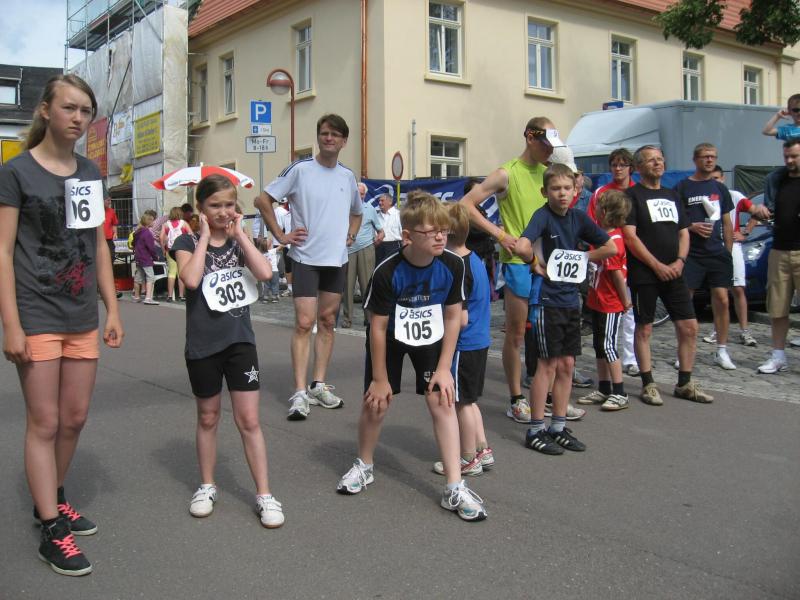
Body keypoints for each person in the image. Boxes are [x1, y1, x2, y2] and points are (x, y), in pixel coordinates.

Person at [0, 73, 124, 576]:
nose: (78, 118)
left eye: (85, 110)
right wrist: (11, 324)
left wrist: (112, 308)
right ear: (45, 110)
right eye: (69, 107)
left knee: (74, 418)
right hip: (35, 313)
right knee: (45, 422)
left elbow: (98, 245)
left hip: (80, 314)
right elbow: (2, 252)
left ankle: (49, 497)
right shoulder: (16, 172)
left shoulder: (90, 172)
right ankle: (52, 528)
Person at [336, 191, 486, 521]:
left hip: (431, 335)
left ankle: (454, 486)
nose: (440, 237)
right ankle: (364, 464)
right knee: (377, 402)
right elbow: (377, 327)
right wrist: (380, 379)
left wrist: (444, 368)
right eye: (431, 232)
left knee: (442, 399)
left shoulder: (453, 264)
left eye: (444, 230)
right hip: (390, 337)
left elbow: (453, 317)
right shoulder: (387, 271)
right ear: (408, 236)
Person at [172, 174, 284, 528]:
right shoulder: (186, 241)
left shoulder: (239, 240)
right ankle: (207, 486)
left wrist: (241, 237)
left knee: (249, 420)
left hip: (240, 342)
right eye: (214, 205)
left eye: (229, 205)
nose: (223, 212)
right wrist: (205, 237)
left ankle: (264, 494)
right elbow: (191, 279)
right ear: (201, 208)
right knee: (208, 417)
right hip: (203, 344)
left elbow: (264, 273)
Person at [254, 114, 363, 420]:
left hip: (336, 260)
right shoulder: (300, 169)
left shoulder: (347, 176)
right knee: (304, 323)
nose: (329, 138)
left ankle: (318, 385)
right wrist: (280, 235)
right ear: (318, 137)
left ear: (344, 141)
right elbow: (262, 200)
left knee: (327, 322)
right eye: (325, 133)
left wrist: (351, 235)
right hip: (305, 258)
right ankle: (300, 392)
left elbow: (357, 213)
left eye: (335, 134)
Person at [460, 117, 565, 422]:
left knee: (547, 332)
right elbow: (466, 204)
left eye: (553, 145)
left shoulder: (549, 173)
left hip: (548, 264)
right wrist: (500, 234)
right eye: (546, 144)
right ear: (530, 138)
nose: (550, 150)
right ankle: (517, 398)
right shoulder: (507, 173)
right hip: (519, 263)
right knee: (517, 334)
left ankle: (548, 396)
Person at [516, 164, 617, 455]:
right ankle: (535, 428)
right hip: (547, 301)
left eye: (567, 188)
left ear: (576, 191)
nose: (562, 194)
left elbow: (610, 247)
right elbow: (522, 246)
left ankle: (558, 427)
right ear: (544, 191)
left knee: (567, 365)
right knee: (546, 366)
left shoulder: (578, 218)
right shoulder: (542, 216)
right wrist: (536, 265)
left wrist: (581, 258)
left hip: (570, 300)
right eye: (556, 189)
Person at [622, 146, 713, 405]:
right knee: (644, 328)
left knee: (689, 326)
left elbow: (684, 231)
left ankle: (685, 382)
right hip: (645, 273)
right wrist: (656, 265)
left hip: (675, 271)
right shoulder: (631, 196)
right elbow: (630, 236)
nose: (657, 163)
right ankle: (648, 383)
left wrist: (680, 261)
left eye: (660, 159)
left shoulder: (672, 195)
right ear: (639, 167)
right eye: (651, 160)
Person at [432, 202, 494, 477]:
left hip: (464, 343)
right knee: (469, 399)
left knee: (461, 402)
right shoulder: (475, 259)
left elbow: (462, 317)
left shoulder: (459, 267)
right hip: (479, 340)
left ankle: (467, 457)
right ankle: (482, 448)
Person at [675, 143, 736, 370]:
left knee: (721, 299)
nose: (709, 160)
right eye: (705, 156)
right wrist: (692, 227)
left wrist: (727, 252)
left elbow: (727, 223)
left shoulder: (720, 188)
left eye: (713, 157)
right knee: (686, 301)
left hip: (716, 253)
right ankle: (684, 349)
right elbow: (675, 220)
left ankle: (722, 349)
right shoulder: (682, 187)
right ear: (695, 159)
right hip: (691, 253)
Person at [703, 166, 770, 347]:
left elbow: (754, 211)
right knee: (718, 291)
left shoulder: (734, 196)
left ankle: (745, 331)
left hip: (733, 246)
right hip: (714, 246)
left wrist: (745, 232)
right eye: (711, 178)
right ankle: (718, 329)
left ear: (723, 179)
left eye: (717, 178)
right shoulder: (705, 198)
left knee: (738, 288)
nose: (715, 182)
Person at [577, 189, 631, 411]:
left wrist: (624, 300)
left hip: (609, 302)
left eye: (598, 205)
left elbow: (617, 274)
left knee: (608, 345)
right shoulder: (602, 237)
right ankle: (604, 387)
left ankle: (619, 391)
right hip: (598, 299)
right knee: (599, 345)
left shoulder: (612, 242)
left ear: (606, 211)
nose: (594, 208)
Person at [588, 148, 639, 376]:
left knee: (626, 313)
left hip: (626, 257)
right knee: (603, 334)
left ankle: (628, 362)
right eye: (614, 164)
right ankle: (607, 382)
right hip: (605, 257)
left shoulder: (637, 191)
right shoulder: (602, 192)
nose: (618, 169)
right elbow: (591, 225)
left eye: (622, 164)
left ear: (630, 167)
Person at [757, 138, 800, 374]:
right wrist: (764, 212)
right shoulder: (777, 179)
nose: (790, 161)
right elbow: (770, 211)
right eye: (787, 157)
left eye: (794, 156)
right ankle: (778, 356)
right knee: (777, 306)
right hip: (779, 249)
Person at [341, 182, 383, 328]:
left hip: (366, 248)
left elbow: (380, 230)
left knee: (367, 285)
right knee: (348, 286)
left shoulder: (370, 209)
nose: (360, 196)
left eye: (363, 194)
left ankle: (369, 318)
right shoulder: (344, 207)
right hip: (348, 250)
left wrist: (378, 239)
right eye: (358, 193)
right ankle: (347, 319)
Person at [160, 206, 191, 302]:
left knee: (171, 273)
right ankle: (181, 295)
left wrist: (163, 249)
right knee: (180, 272)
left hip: (170, 250)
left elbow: (161, 238)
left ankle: (170, 296)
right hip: (182, 250)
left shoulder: (166, 224)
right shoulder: (184, 223)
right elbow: (191, 235)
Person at [132, 209, 160, 305]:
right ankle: (148, 297)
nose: (154, 222)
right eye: (152, 220)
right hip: (146, 258)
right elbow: (151, 247)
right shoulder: (147, 233)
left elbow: (133, 243)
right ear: (149, 221)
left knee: (138, 277)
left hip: (138, 257)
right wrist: (155, 257)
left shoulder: (137, 232)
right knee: (150, 277)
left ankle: (136, 296)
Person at [103, 196, 123, 298]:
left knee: (110, 263)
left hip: (109, 240)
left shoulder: (111, 211)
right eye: (107, 200)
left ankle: (112, 289)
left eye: (110, 200)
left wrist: (115, 233)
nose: (109, 202)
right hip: (98, 241)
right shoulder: (96, 211)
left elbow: (114, 223)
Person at [374, 192, 403, 264]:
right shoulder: (376, 216)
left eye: (382, 200)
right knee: (380, 269)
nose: (380, 203)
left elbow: (403, 233)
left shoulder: (398, 215)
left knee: (394, 268)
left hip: (394, 246)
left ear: (390, 202)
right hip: (379, 247)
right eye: (379, 201)